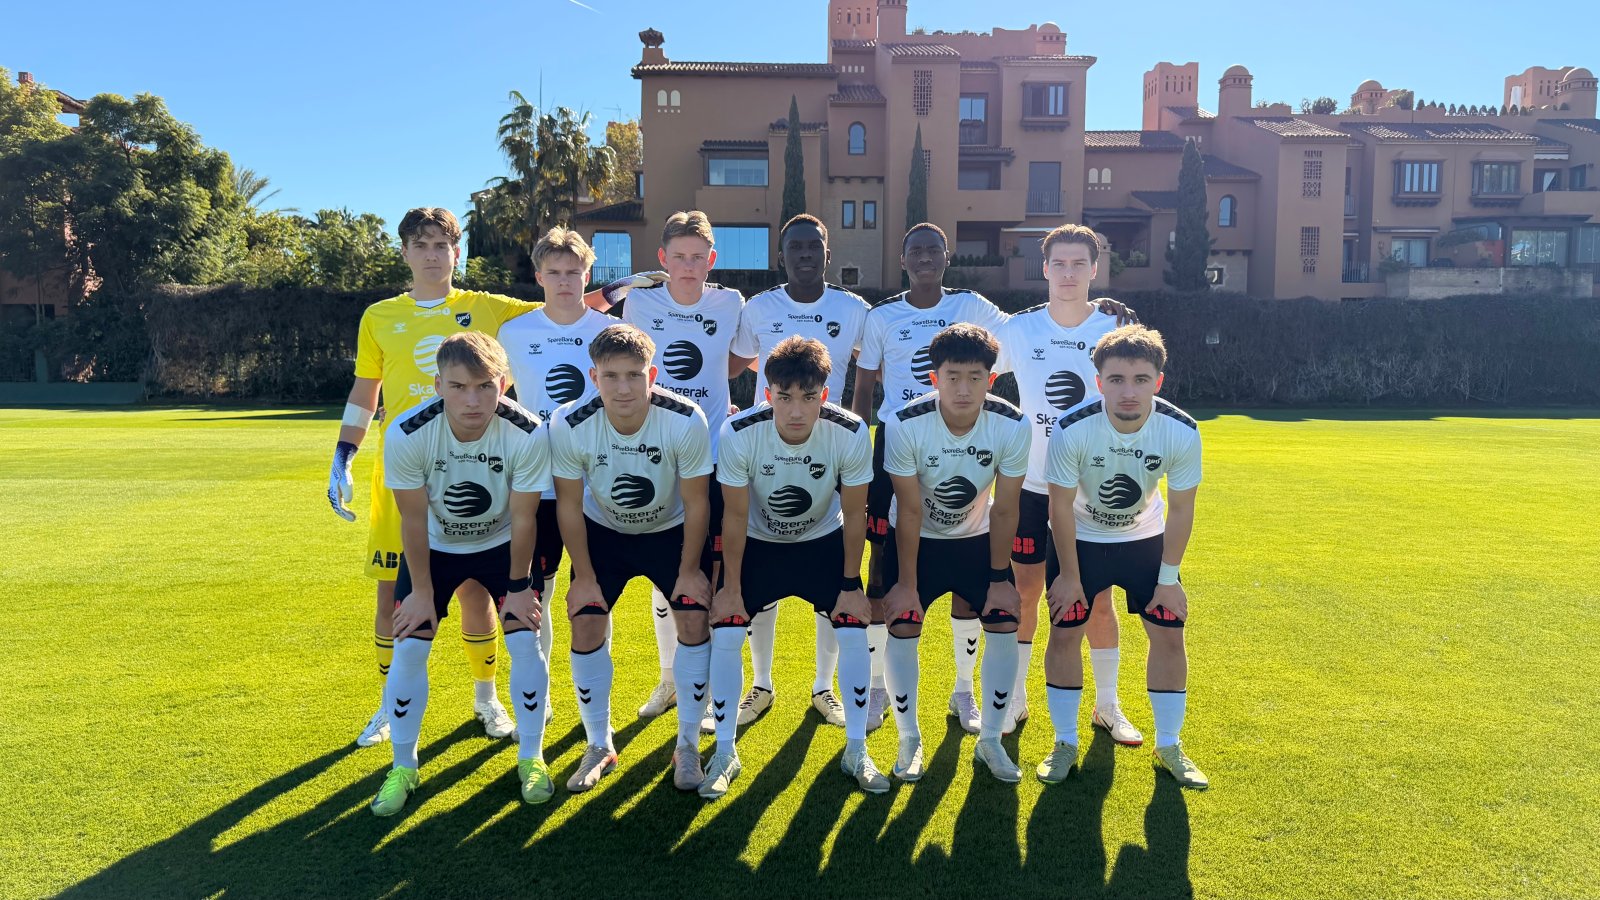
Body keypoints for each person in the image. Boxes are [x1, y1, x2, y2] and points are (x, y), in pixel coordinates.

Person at [330, 207, 539, 748]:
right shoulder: (379, 316)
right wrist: (343, 455)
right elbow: (365, 392)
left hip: (475, 467)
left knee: (476, 591)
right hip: (403, 472)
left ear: (456, 252)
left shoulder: (485, 306)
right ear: (404, 252)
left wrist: (620, 292)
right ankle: (387, 703)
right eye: (420, 245)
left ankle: (486, 698)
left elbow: (560, 309)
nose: (431, 255)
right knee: (392, 595)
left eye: (441, 245)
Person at [369, 332, 554, 816]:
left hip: (502, 547)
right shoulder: (407, 432)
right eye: (458, 387)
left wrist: (518, 587)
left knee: (525, 641)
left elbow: (525, 518)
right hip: (434, 549)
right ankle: (403, 767)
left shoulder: (528, 431)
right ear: (438, 386)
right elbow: (412, 519)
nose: (472, 400)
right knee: (410, 644)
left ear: (503, 384)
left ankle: (531, 758)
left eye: (484, 386)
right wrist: (421, 592)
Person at [702, 337, 887, 798]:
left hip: (822, 542)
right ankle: (724, 751)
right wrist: (730, 587)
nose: (796, 411)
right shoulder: (739, 431)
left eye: (808, 397)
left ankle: (857, 749)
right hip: (760, 543)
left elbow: (856, 514)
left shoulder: (849, 431)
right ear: (768, 394)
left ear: (825, 394)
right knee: (727, 629)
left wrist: (851, 584)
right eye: (784, 398)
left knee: (852, 628)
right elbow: (734, 516)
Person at [588, 211, 754, 724]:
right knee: (666, 580)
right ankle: (669, 681)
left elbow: (742, 356)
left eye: (697, 257)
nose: (687, 266)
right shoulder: (640, 301)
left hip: (713, 455)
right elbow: (580, 310)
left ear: (711, 260)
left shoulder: (730, 302)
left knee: (710, 579)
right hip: (656, 452)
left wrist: (718, 393)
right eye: (678, 257)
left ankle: (713, 688)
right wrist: (623, 284)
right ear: (662, 259)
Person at [851, 224, 1010, 736]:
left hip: (958, 442)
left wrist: (1100, 310)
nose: (924, 257)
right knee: (883, 566)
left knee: (966, 558)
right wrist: (858, 449)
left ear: (947, 257)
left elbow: (1025, 333)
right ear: (902, 260)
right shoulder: (882, 316)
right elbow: (864, 387)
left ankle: (964, 691)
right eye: (915, 250)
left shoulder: (972, 306)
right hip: (896, 447)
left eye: (933, 250)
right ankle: (879, 686)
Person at [1038, 324, 1208, 789]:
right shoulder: (1072, 428)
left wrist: (1168, 579)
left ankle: (1169, 744)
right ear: (1099, 382)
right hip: (1080, 540)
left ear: (1158, 381)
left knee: (1169, 633)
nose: (1128, 391)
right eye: (1116, 379)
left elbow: (1182, 508)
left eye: (1140, 379)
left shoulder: (1180, 430)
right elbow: (1058, 506)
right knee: (1065, 632)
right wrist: (1069, 575)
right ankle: (1065, 741)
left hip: (1144, 541)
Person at [721, 214, 872, 731]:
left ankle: (823, 688)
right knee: (759, 595)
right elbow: (730, 364)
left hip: (827, 445)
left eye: (814, 246)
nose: (805, 254)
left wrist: (853, 419)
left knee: (832, 594)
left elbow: (875, 360)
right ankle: (761, 686)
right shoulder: (758, 307)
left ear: (827, 253)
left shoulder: (853, 309)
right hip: (765, 445)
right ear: (781, 255)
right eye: (795, 247)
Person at [548, 324, 715, 793]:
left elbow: (698, 502)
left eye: (634, 376)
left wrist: (689, 571)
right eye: (611, 376)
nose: (623, 388)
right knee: (586, 620)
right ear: (593, 377)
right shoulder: (569, 422)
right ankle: (599, 744)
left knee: (693, 617)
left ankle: (687, 744)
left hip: (671, 533)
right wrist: (583, 576)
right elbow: (568, 504)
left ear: (652, 375)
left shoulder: (685, 418)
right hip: (604, 534)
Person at [993, 224, 1140, 742]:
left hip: (1092, 489)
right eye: (1060, 263)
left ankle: (1108, 705)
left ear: (1095, 269)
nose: (1069, 273)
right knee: (1025, 592)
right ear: (1045, 269)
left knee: (1098, 598)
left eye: (1080, 263)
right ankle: (1014, 698)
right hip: (1032, 486)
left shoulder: (1116, 326)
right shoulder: (1019, 329)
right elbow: (974, 372)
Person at [880, 324, 1031, 783]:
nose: (964, 389)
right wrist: (906, 585)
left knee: (1004, 621)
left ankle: (991, 741)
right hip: (916, 541)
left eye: (975, 377)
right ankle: (909, 739)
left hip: (976, 541)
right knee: (904, 623)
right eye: (952, 377)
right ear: (935, 378)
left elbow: (1006, 508)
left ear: (991, 378)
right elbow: (909, 509)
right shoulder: (904, 423)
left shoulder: (1013, 424)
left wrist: (1000, 577)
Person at [496, 227, 616, 691]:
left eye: (573, 271)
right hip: (536, 485)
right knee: (536, 593)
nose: (565, 280)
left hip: (597, 484)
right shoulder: (514, 332)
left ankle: (595, 696)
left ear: (587, 275)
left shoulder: (609, 332)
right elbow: (494, 397)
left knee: (596, 594)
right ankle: (539, 691)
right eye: (555, 272)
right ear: (539, 276)